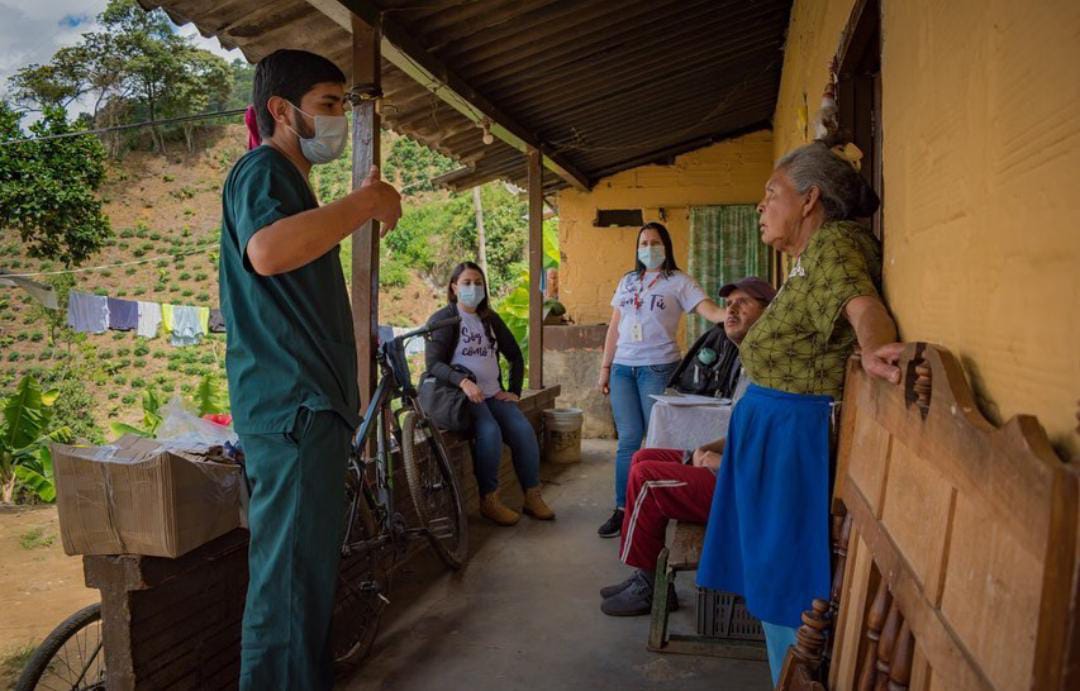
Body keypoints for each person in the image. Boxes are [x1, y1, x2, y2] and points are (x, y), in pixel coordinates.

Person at [219, 49, 402, 690]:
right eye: (328, 105)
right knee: (289, 587)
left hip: (309, 409)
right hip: (291, 410)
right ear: (281, 110)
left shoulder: (295, 189)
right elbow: (266, 251)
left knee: (305, 581)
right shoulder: (261, 170)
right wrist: (366, 201)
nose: (338, 120)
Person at [696, 139, 904, 685]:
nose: (761, 207)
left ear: (810, 199)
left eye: (771, 195)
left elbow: (863, 307)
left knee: (787, 587)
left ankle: (792, 678)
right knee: (772, 582)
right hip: (775, 436)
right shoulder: (809, 260)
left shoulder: (835, 246)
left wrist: (876, 348)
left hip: (794, 442)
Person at [599, 277, 775, 616]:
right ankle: (645, 575)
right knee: (643, 457)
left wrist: (721, 463)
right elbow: (746, 430)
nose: (732, 310)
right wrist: (708, 447)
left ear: (769, 314)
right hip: (734, 467)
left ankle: (649, 586)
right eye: (730, 303)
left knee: (649, 479)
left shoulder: (771, 368)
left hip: (744, 487)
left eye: (745, 303)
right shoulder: (748, 361)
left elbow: (774, 449)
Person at [596, 222, 728, 538]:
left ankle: (653, 503)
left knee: (655, 441)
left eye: (655, 242)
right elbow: (615, 327)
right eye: (643, 242)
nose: (648, 248)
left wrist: (730, 314)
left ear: (665, 247)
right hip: (622, 370)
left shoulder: (679, 281)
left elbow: (706, 308)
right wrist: (605, 367)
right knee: (628, 440)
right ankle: (622, 509)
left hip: (657, 368)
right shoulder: (627, 281)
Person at [425, 262, 555, 526]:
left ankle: (532, 495)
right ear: (453, 287)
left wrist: (515, 391)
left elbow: (515, 356)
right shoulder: (443, 320)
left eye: (478, 283)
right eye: (466, 283)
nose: (473, 288)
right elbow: (433, 364)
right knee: (490, 432)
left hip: (494, 394)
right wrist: (462, 381)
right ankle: (489, 500)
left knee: (523, 431)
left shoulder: (489, 318)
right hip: (467, 398)